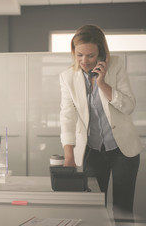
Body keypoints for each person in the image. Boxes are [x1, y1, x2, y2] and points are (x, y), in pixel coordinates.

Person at [59, 24, 143, 222]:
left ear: (101, 52)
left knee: (123, 210)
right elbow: (67, 115)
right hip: (93, 151)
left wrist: (102, 83)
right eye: (79, 55)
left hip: (123, 151)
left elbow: (129, 106)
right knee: (94, 208)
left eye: (90, 55)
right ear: (74, 52)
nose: (84, 61)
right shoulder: (67, 77)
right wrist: (69, 156)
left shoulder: (116, 66)